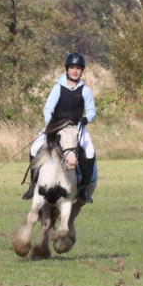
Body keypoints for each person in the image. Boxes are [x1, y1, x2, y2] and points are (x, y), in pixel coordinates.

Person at [22, 52, 97, 203]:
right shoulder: (58, 88)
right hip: (56, 126)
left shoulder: (85, 91)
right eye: (72, 68)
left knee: (89, 152)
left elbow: (92, 112)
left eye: (78, 68)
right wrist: (51, 125)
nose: (75, 71)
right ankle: (33, 184)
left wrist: (86, 119)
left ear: (82, 70)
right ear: (67, 70)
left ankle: (85, 189)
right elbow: (47, 108)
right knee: (34, 148)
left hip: (76, 128)